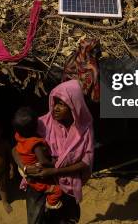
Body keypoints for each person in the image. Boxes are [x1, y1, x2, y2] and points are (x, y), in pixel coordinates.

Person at [12, 80, 94, 224]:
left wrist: (55, 172)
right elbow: (15, 149)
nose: (55, 108)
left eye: (61, 104)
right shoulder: (41, 123)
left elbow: (86, 162)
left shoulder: (84, 129)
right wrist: (25, 167)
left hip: (67, 185)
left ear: (73, 105)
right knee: (36, 219)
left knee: (66, 218)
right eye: (54, 102)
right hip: (39, 183)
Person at [13, 107, 63, 210]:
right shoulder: (35, 144)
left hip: (24, 168)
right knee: (57, 190)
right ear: (36, 127)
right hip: (36, 176)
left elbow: (14, 149)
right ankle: (51, 204)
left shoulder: (18, 136)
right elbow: (43, 161)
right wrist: (54, 162)